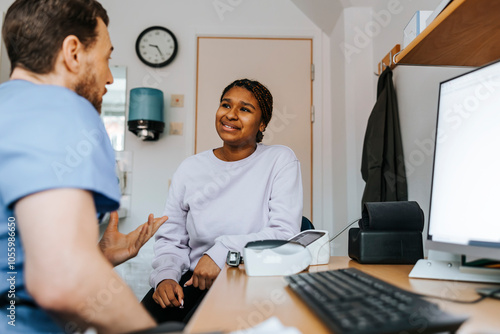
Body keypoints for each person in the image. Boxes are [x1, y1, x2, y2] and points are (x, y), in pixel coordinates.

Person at [0, 1, 174, 333]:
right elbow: (62, 280)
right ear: (73, 52)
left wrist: (97, 258)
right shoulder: (63, 107)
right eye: (107, 58)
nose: (109, 77)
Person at [141, 79, 303, 323]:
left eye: (245, 109)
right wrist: (166, 276)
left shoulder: (280, 160)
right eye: (226, 105)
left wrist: (222, 251)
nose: (231, 115)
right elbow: (172, 238)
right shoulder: (190, 168)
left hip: (252, 280)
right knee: (140, 324)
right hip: (194, 280)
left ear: (262, 124)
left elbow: (284, 232)